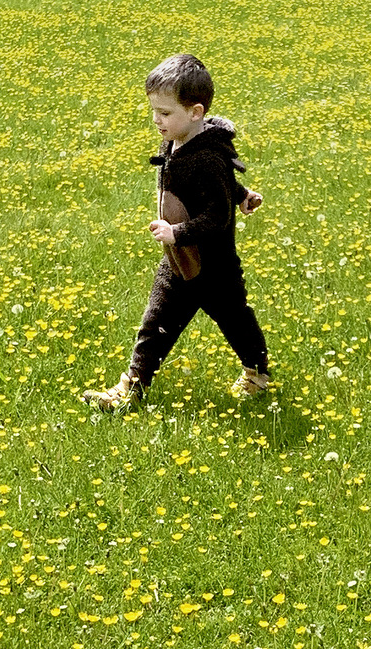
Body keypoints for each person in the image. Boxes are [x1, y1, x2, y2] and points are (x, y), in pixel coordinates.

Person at [82, 53, 273, 410]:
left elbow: (216, 216)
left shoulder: (208, 157)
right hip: (180, 264)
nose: (157, 120)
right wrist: (242, 194)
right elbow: (220, 189)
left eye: (165, 113)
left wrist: (178, 232)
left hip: (214, 269)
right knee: (154, 324)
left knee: (236, 321)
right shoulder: (175, 141)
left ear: (196, 112)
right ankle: (132, 388)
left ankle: (257, 374)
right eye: (154, 111)